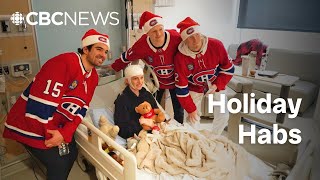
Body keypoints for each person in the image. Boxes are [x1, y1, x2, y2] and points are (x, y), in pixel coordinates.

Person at [3, 29, 110, 180]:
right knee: (58, 162)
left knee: (71, 153)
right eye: (99, 49)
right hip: (30, 123)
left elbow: (82, 108)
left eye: (106, 51)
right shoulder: (63, 63)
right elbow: (40, 106)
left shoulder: (93, 77)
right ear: (86, 49)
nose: (103, 55)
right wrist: (55, 136)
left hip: (56, 125)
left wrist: (65, 133)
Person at [108, 11, 184, 124]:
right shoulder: (141, 45)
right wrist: (113, 68)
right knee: (153, 106)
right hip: (157, 81)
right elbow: (126, 57)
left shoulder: (176, 37)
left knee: (179, 109)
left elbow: (191, 51)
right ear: (147, 33)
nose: (158, 34)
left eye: (160, 29)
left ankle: (180, 129)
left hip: (176, 79)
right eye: (154, 31)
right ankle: (156, 126)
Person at [174, 17, 234, 135]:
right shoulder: (180, 57)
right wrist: (191, 110)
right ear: (184, 41)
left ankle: (214, 139)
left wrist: (217, 85)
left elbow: (229, 68)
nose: (196, 40)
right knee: (191, 120)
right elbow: (181, 88)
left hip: (215, 83)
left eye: (197, 35)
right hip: (194, 87)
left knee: (223, 115)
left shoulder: (216, 45)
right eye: (190, 38)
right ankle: (196, 142)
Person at [114, 65, 159, 139]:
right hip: (140, 137)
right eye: (135, 79)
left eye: (141, 77)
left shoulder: (147, 95)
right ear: (127, 81)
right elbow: (123, 130)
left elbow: (157, 112)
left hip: (156, 131)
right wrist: (142, 124)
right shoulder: (122, 100)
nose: (140, 82)